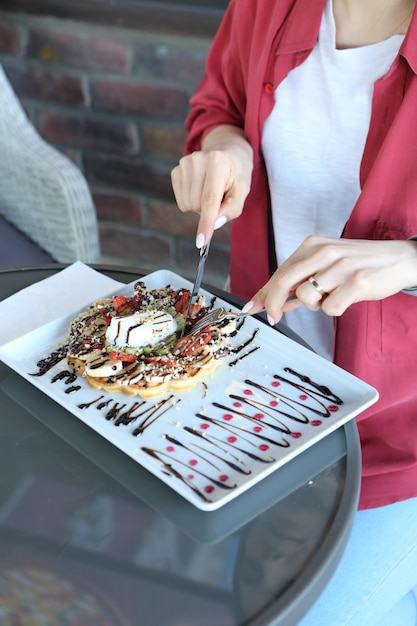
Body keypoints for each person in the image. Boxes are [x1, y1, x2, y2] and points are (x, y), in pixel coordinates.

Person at [171, 0, 417, 623]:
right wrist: (228, 149)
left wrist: (410, 262)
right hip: (271, 403)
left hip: (401, 447)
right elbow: (218, 107)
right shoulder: (265, 7)